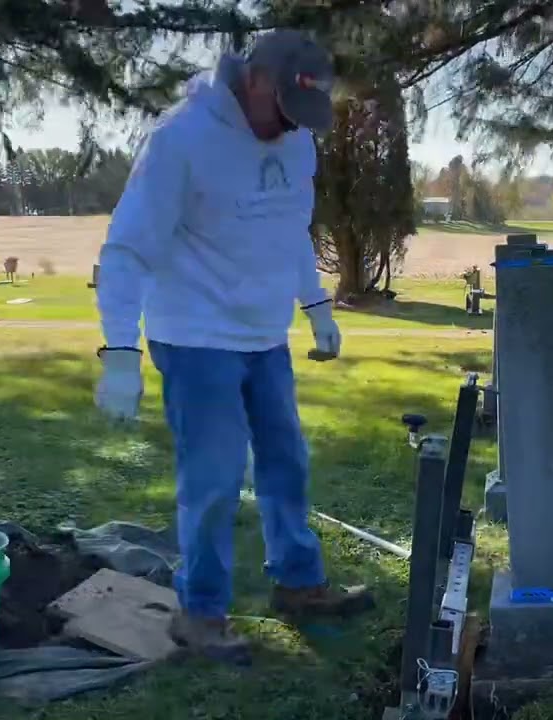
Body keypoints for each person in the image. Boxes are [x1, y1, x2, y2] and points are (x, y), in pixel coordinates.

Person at [91, 29, 373, 664]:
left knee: (286, 462)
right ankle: (201, 613)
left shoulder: (296, 140)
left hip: (264, 336)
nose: (292, 127)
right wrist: (120, 353)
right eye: (286, 110)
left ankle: (299, 584)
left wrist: (316, 306)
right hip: (194, 335)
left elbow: (290, 230)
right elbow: (128, 247)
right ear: (255, 80)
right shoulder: (180, 138)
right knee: (214, 477)